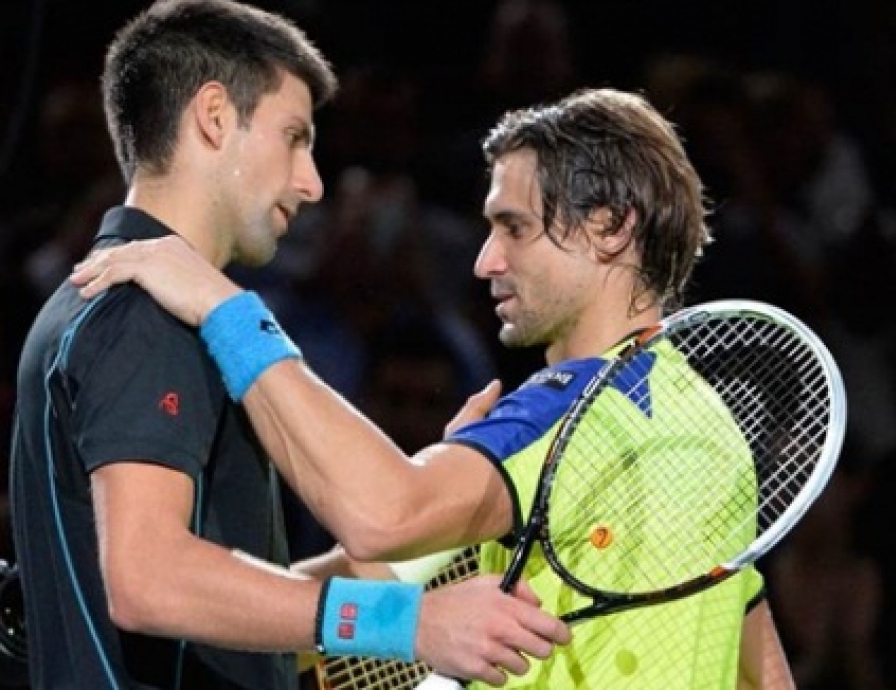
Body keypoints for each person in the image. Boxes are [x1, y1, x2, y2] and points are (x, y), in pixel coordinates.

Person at [70, 88, 795, 687]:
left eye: (514, 228)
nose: (485, 261)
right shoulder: (713, 429)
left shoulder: (565, 414)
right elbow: (763, 670)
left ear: (608, 227)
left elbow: (381, 516)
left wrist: (225, 310)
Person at [8, 1, 571, 688]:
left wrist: (418, 526)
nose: (313, 181)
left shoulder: (134, 304)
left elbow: (224, 609)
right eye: (295, 138)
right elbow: (148, 579)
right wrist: (408, 622)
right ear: (214, 117)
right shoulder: (140, 313)